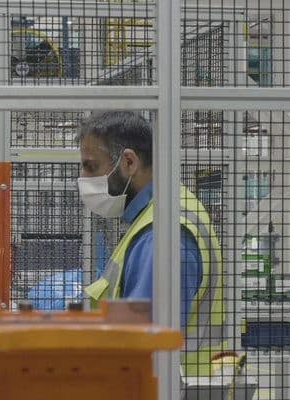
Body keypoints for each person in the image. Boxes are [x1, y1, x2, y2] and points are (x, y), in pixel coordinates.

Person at [77, 112, 227, 376]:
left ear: (129, 162)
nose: (83, 178)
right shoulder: (163, 212)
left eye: (91, 167)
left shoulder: (161, 234)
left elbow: (144, 348)